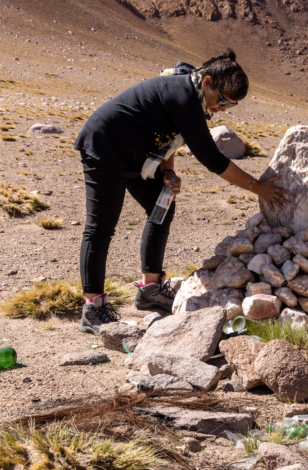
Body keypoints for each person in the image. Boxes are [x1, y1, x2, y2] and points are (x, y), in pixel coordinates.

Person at [73, 48, 289, 335]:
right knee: (101, 227)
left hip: (135, 156)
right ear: (208, 82)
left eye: (230, 106)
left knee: (162, 205)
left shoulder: (192, 92)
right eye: (222, 100)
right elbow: (213, 159)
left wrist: (168, 173)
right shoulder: (184, 97)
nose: (222, 109)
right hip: (105, 148)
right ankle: (93, 308)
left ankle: (150, 289)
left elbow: (168, 137)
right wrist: (257, 187)